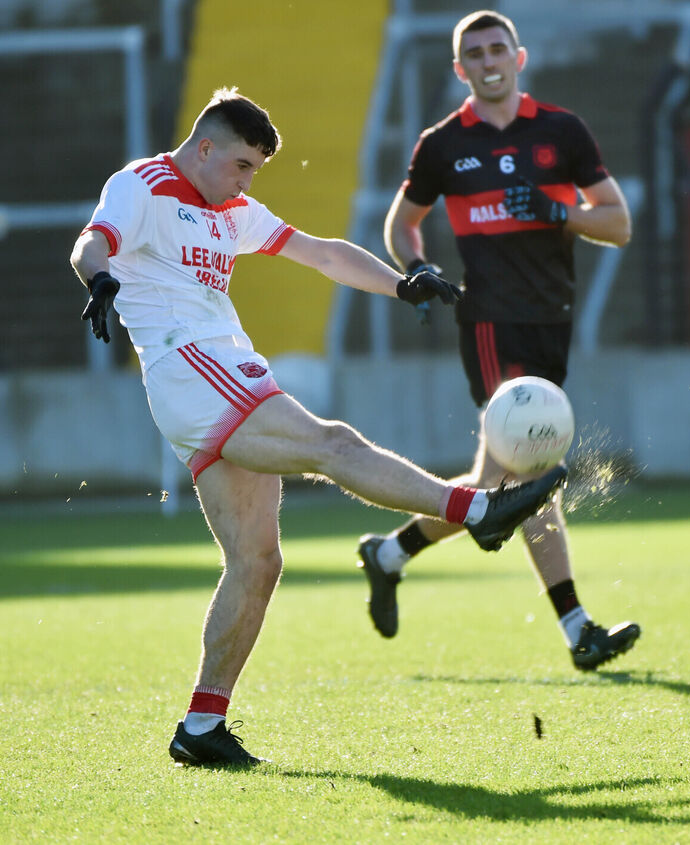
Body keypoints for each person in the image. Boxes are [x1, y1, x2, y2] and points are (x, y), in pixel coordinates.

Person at [69, 87, 567, 767]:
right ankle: (478, 509)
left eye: (255, 172)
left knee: (258, 561)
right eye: (242, 165)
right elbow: (91, 241)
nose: (247, 182)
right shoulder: (145, 183)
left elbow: (323, 253)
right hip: (194, 369)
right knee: (333, 444)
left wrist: (402, 284)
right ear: (206, 147)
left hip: (222, 374)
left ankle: (201, 725)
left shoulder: (230, 208)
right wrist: (98, 278)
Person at [353, 10, 639, 671]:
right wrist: (416, 267)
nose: (487, 60)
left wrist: (558, 212)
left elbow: (619, 224)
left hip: (551, 321)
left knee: (494, 483)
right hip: (488, 323)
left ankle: (389, 553)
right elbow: (402, 226)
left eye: (496, 48)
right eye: (473, 52)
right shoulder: (443, 143)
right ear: (460, 69)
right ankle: (578, 630)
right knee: (528, 474)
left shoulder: (562, 131)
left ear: (519, 56)